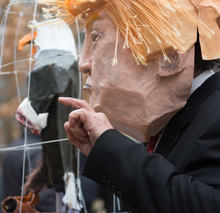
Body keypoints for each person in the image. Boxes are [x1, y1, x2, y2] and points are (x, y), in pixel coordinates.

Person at [40, 0, 220, 212]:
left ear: (168, 57)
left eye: (96, 37)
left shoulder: (215, 113)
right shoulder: (177, 119)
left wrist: (112, 147)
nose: (84, 63)